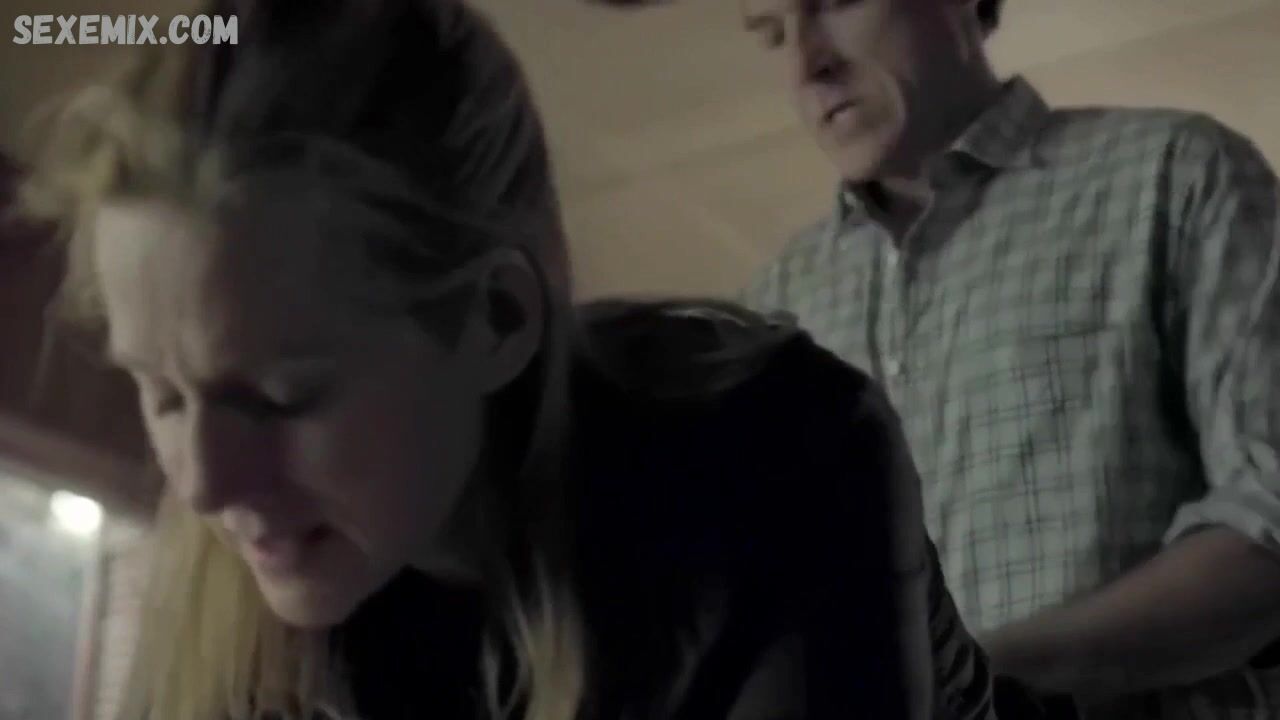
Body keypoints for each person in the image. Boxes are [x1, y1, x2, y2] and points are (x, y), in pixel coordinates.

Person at [15, 1, 1010, 717]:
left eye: (284, 396)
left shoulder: (778, 448)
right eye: (160, 391)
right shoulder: (265, 597)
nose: (203, 483)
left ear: (496, 317)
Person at [718, 0, 1280, 716]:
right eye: (772, 35)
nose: (806, 66)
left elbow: (1271, 517)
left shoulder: (1175, 176)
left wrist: (968, 683)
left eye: (836, 3)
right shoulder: (770, 314)